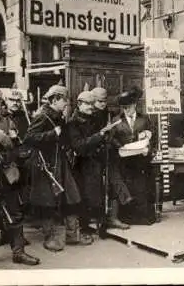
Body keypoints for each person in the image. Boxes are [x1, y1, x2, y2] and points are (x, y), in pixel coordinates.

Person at [0, 81, 40, 268]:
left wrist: (7, 152)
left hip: (5, 174)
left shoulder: (7, 120)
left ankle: (18, 252)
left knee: (15, 214)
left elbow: (14, 145)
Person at [24, 84, 87, 252]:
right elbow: (29, 138)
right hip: (45, 164)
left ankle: (73, 235)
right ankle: (49, 237)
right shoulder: (43, 116)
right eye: (64, 100)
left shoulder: (57, 115)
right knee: (47, 201)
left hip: (60, 162)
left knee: (71, 195)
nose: (66, 104)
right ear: (54, 99)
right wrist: (53, 134)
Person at [67, 90, 117, 245]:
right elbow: (79, 146)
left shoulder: (94, 119)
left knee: (98, 195)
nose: (91, 107)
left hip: (95, 163)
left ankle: (101, 226)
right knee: (83, 197)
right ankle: (84, 229)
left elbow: (100, 139)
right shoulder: (72, 123)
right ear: (79, 104)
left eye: (92, 104)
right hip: (81, 165)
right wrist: (100, 135)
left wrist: (105, 136)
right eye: (87, 104)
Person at [0, 83, 32, 248]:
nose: (15, 102)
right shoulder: (3, 117)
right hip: (3, 163)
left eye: (17, 100)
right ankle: (4, 233)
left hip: (21, 162)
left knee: (19, 202)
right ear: (5, 101)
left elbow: (27, 138)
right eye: (11, 100)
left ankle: (18, 236)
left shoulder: (26, 117)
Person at [111, 86, 156, 225]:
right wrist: (120, 146)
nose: (126, 111)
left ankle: (144, 218)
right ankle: (128, 218)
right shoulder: (116, 120)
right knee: (128, 188)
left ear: (135, 105)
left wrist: (148, 149)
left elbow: (153, 137)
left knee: (142, 188)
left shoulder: (144, 119)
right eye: (124, 108)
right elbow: (112, 138)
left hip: (141, 160)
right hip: (125, 161)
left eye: (129, 107)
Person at [90, 86, 132, 230]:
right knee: (98, 189)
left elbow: (113, 135)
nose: (102, 104)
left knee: (114, 184)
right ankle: (99, 220)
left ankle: (113, 218)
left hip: (109, 155)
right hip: (93, 157)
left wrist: (117, 144)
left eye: (104, 101)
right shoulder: (89, 115)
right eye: (99, 101)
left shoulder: (109, 114)